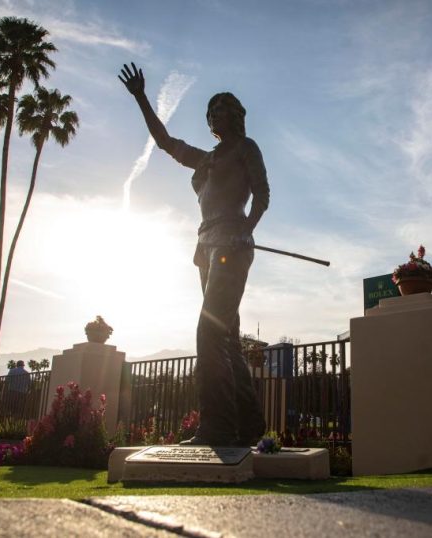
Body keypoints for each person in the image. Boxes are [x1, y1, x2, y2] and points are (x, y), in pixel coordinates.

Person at [119, 63, 268, 446]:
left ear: (235, 115)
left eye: (220, 107)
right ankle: (249, 427)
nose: (213, 113)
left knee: (208, 329)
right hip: (206, 247)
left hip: (232, 244)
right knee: (227, 339)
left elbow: (262, 195)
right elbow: (166, 142)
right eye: (210, 109)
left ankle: (217, 428)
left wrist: (244, 232)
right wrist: (140, 98)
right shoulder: (206, 159)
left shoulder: (246, 149)